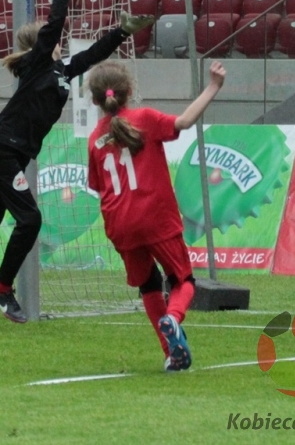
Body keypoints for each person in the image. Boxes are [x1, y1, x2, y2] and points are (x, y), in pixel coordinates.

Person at [0, 0, 156, 323]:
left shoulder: (62, 71)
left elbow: (92, 55)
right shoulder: (39, 64)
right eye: (49, 36)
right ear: (41, 45)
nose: (56, 36)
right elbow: (57, 19)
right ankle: (2, 289)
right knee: (30, 221)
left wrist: (122, 32)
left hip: (11, 152)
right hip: (5, 150)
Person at [85, 59, 226, 371]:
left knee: (149, 285)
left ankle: (171, 353)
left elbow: (97, 186)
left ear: (95, 100)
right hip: (155, 216)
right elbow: (185, 122)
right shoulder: (144, 119)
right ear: (129, 91)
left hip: (119, 224)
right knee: (183, 280)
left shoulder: (95, 138)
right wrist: (213, 86)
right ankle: (172, 320)